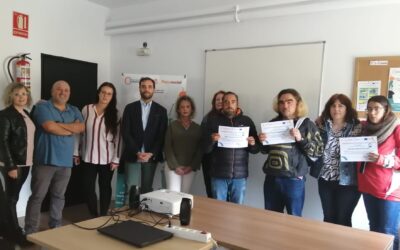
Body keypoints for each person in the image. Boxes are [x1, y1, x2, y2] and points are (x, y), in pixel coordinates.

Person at [24, 80, 84, 234]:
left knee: (59, 196)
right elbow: (49, 127)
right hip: (45, 161)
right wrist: (69, 128)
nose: (63, 92)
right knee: (37, 196)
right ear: (52, 92)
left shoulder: (74, 109)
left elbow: (81, 127)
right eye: (59, 89)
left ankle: (56, 226)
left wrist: (59, 125)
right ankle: (31, 230)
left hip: (65, 162)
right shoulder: (42, 107)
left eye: (66, 90)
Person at [259, 88, 323, 216]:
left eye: (289, 102)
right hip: (272, 178)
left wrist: (301, 139)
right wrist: (262, 141)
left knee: (294, 219)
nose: (285, 105)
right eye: (281, 102)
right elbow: (266, 151)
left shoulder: (307, 124)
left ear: (298, 104)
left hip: (294, 180)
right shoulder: (272, 123)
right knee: (271, 218)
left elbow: (318, 151)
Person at [311, 94, 361, 226]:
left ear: (347, 109)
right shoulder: (321, 126)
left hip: (348, 181)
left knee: (343, 219)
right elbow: (312, 147)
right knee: (328, 217)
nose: (336, 109)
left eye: (340, 105)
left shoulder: (357, 127)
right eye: (333, 105)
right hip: (325, 178)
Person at [358, 95, 400, 250]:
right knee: (374, 229)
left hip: (389, 191)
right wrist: (322, 118)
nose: (372, 113)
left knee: (388, 232)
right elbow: (343, 120)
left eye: (377, 109)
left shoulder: (396, 128)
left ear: (386, 110)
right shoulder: (364, 127)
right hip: (368, 187)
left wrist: (383, 160)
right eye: (369, 109)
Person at [203, 91, 259, 204]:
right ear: (222, 104)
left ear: (237, 104)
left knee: (237, 211)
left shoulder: (247, 121)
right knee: (218, 209)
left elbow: (256, 150)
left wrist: (252, 143)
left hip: (240, 175)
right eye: (226, 102)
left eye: (233, 102)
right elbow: (205, 149)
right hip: (218, 174)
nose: (230, 104)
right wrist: (212, 140)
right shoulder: (212, 121)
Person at [75, 82, 121, 217]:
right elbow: (79, 131)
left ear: (112, 96)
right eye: (103, 92)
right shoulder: (86, 109)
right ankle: (94, 216)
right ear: (98, 93)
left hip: (107, 158)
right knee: (88, 188)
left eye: (109, 94)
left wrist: (116, 159)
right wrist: (75, 152)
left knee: (105, 188)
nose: (105, 96)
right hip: (88, 157)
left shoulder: (115, 114)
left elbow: (119, 138)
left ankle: (103, 215)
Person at [120, 77, 168, 196]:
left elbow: (161, 135)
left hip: (150, 157)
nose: (146, 89)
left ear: (154, 89)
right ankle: (129, 214)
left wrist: (151, 153)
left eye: (149, 86)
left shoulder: (161, 111)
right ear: (139, 88)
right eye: (143, 86)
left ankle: (144, 215)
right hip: (132, 154)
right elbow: (125, 132)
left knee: (147, 190)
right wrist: (137, 151)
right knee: (131, 189)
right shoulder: (129, 108)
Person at [0, 83, 35, 244]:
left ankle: (7, 231)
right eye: (17, 94)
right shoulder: (5, 115)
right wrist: (10, 166)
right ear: (10, 97)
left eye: (24, 93)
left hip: (26, 162)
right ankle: (15, 234)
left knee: (12, 197)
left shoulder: (26, 114)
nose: (21, 97)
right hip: (14, 164)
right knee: (12, 198)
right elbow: (3, 142)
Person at [164, 95, 202, 193]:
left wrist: (191, 166)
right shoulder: (172, 126)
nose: (185, 109)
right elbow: (168, 148)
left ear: (192, 109)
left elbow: (200, 150)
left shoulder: (197, 128)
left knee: (184, 195)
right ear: (178, 110)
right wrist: (175, 166)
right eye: (182, 107)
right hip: (173, 167)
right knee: (173, 195)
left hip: (190, 167)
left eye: (188, 106)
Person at [201, 90, 225, 198]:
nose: (220, 101)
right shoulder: (207, 119)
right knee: (212, 194)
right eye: (217, 99)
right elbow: (202, 141)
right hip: (209, 161)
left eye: (222, 99)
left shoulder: (233, 118)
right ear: (213, 102)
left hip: (226, 163)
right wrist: (212, 140)